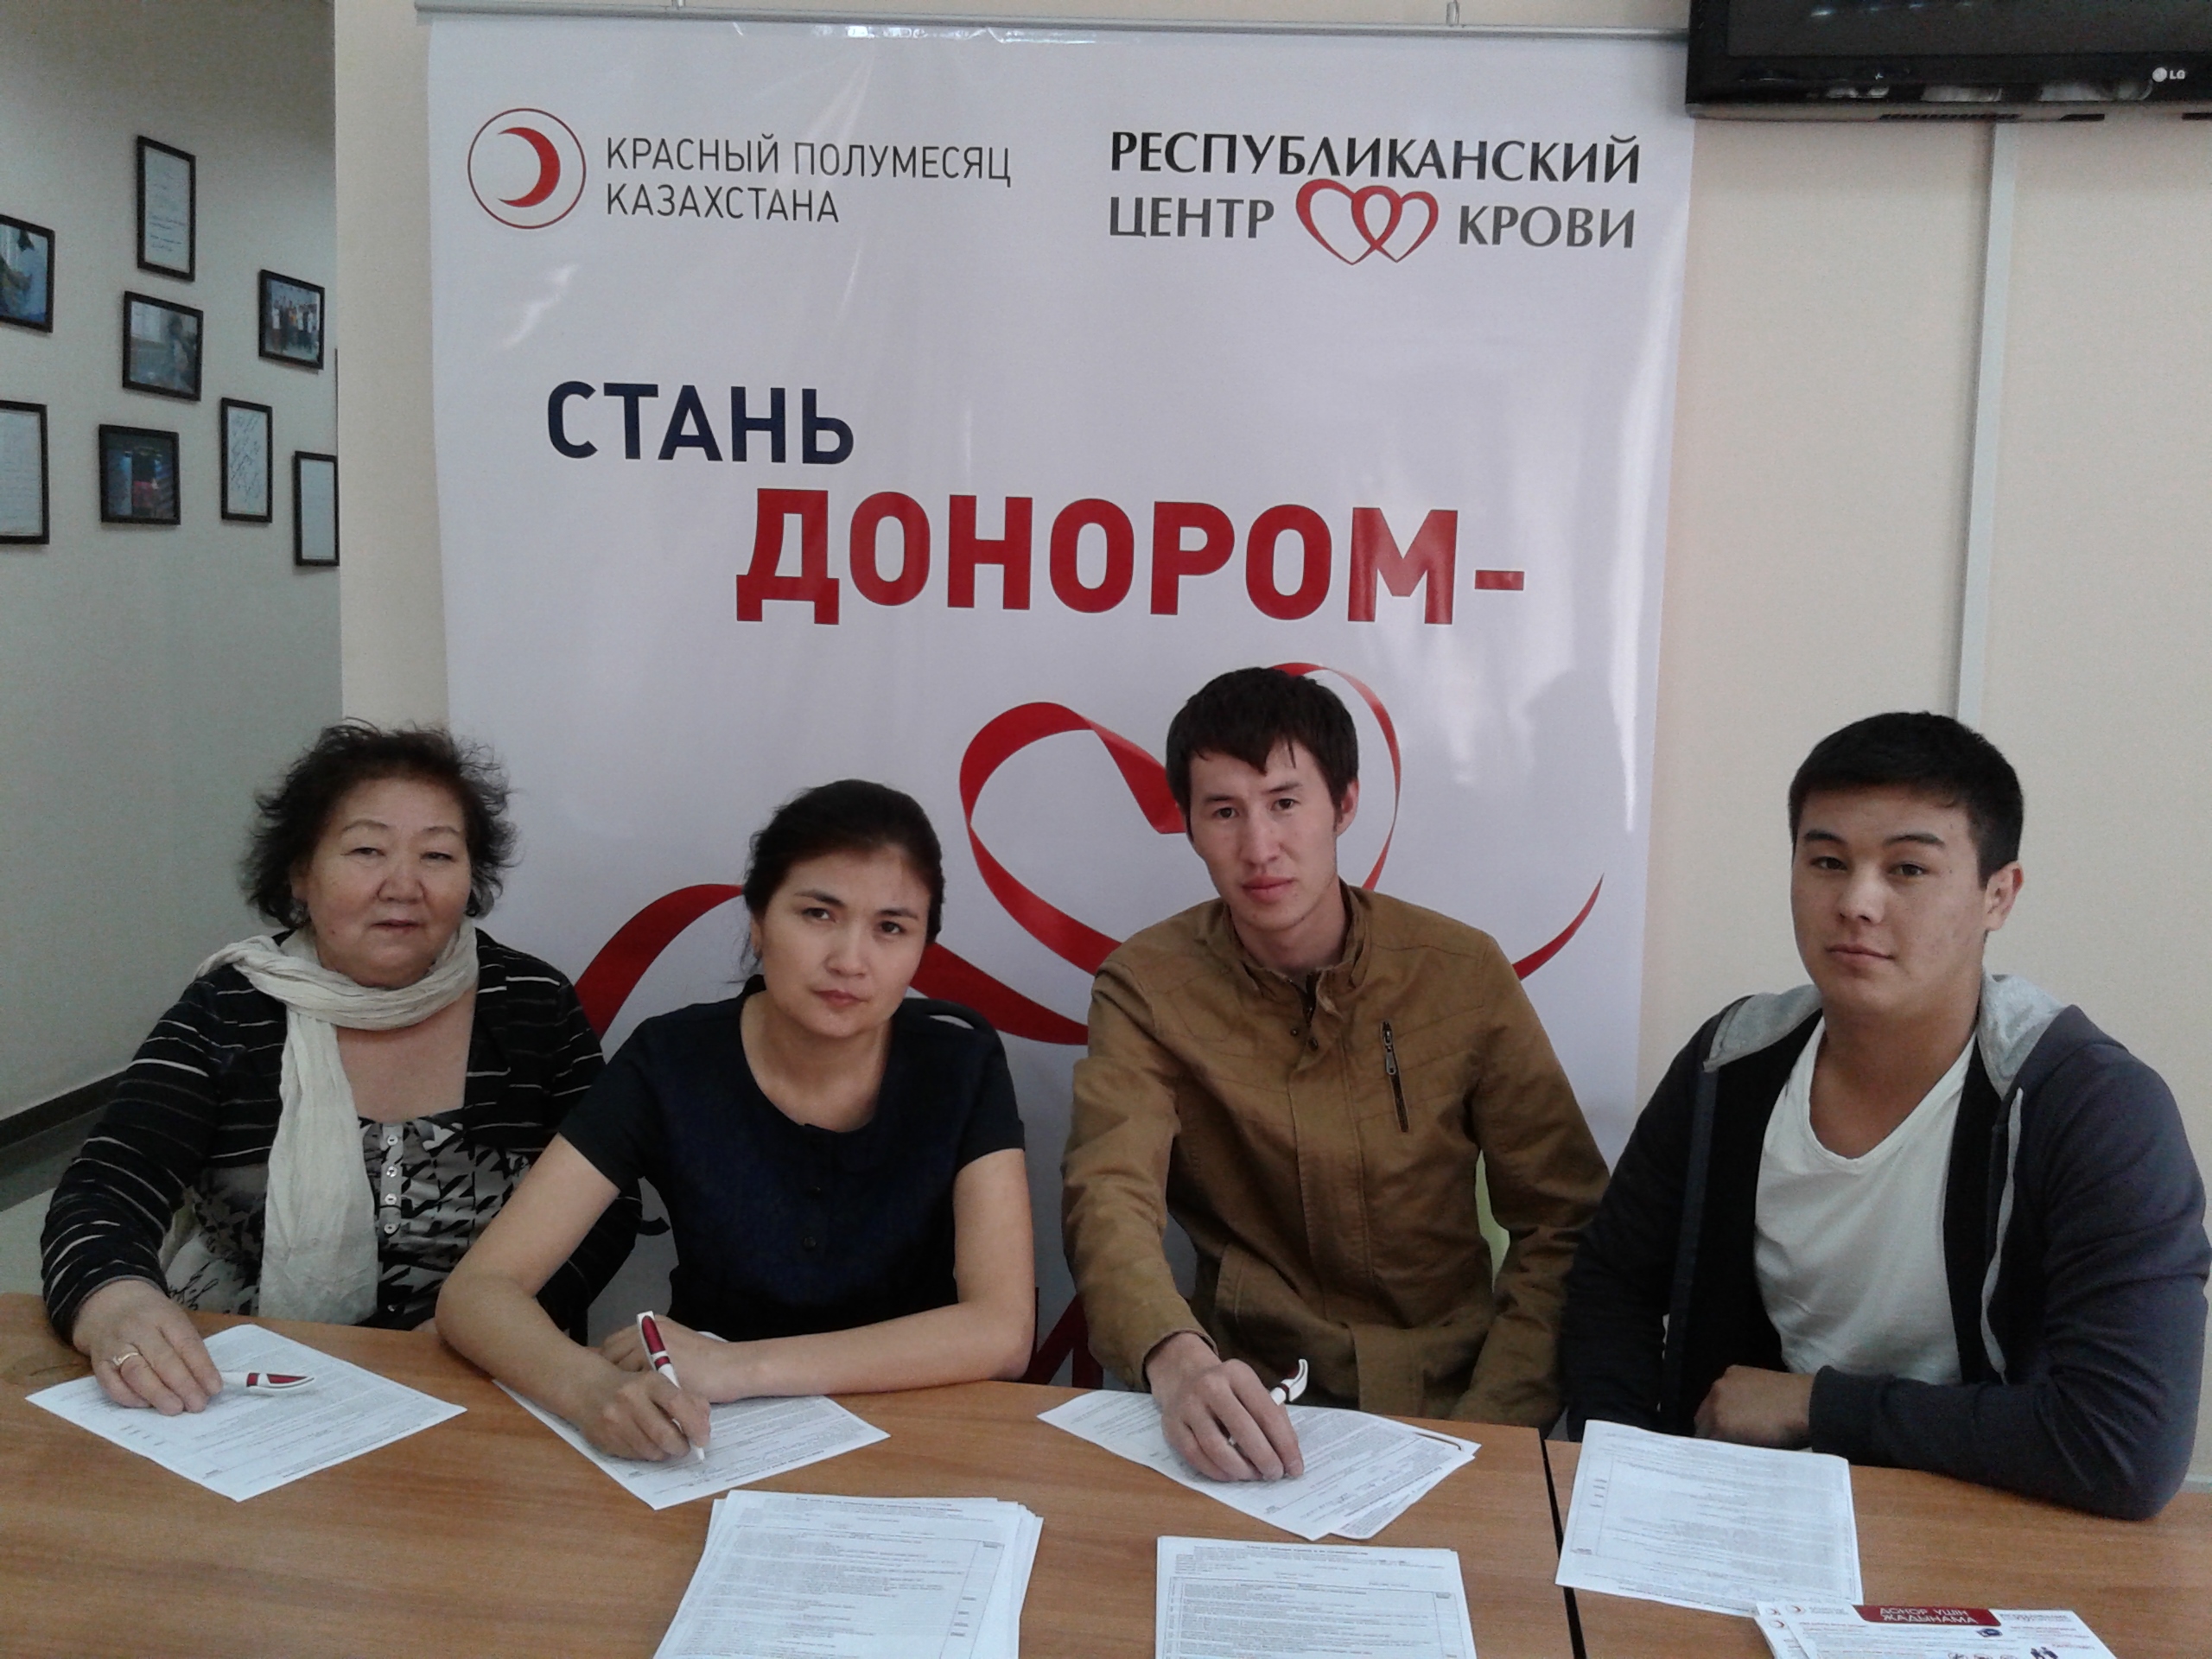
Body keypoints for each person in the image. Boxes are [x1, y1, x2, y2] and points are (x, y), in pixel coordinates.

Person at [1562, 712, 2210, 1520]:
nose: (1856, 903)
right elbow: (1612, 1286)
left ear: (1998, 895)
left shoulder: (2091, 1107)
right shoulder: (1730, 1062)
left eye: (1907, 869)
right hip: (1744, 1514)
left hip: (1987, 1517)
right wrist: (1624, 1471)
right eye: (1827, 862)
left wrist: (1817, 1406)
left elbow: (2126, 1446)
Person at [1061, 666, 1610, 1483]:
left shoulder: (1460, 972)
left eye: (1285, 803)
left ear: (1344, 805)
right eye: (1224, 812)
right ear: (1189, 825)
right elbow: (1109, 1193)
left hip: (1454, 1396)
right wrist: (1175, 1359)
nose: (1259, 848)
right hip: (1245, 1397)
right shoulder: (1146, 987)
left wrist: (1493, 1426)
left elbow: (1563, 1218)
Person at [42, 723, 634, 1414]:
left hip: (487, 1378)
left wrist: (493, 1331)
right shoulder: (228, 1011)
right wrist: (115, 1301)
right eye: (366, 851)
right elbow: (110, 1185)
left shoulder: (531, 1006)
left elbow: (608, 1205)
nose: (403, 886)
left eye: (438, 855)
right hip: (241, 1382)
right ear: (301, 872)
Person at [436, 779, 1035, 1462]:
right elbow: (477, 1292)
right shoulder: (671, 1060)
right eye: (817, 914)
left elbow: (1003, 1331)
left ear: (923, 946)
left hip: (918, 1432)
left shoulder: (961, 1066)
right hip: (708, 1439)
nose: (850, 960)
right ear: (757, 920)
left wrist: (741, 1366)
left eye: (891, 928)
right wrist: (591, 1390)